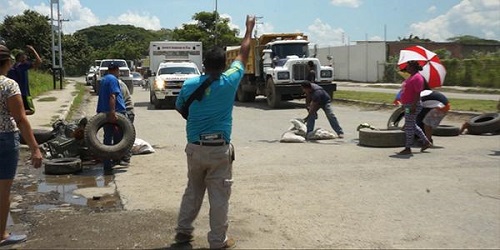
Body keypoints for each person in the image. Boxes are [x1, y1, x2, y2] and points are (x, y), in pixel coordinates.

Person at [173, 15, 255, 249]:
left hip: (195, 148)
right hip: (219, 150)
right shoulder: (230, 80)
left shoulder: (189, 84)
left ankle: (183, 233)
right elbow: (244, 52)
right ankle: (218, 242)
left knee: (193, 191)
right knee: (219, 197)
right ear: (223, 66)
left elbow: (180, 107)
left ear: (204, 64)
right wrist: (248, 28)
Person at [0, 45, 42, 246]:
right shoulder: (9, 85)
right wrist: (35, 148)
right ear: (8, 63)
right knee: (3, 190)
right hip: (4, 139)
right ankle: (1, 235)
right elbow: (21, 119)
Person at [96, 62, 126, 175]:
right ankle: (118, 159)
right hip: (116, 112)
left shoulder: (104, 79)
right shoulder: (113, 79)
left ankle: (107, 164)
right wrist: (113, 112)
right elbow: (112, 96)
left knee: (107, 138)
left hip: (103, 111)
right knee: (122, 138)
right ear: (117, 70)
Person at [398, 60, 432, 155]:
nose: (407, 68)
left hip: (413, 105)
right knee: (412, 124)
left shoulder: (418, 78)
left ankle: (408, 147)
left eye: (408, 66)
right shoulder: (411, 77)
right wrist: (404, 105)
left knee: (409, 126)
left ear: (413, 67)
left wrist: (413, 105)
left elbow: (417, 93)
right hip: (408, 105)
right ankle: (426, 142)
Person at [7, 45, 42, 115]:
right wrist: (33, 50)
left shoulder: (10, 68)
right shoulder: (23, 66)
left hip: (12, 93)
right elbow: (39, 61)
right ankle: (17, 114)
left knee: (14, 109)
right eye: (24, 55)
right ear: (21, 57)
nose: (26, 57)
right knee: (30, 110)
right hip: (23, 93)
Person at [118, 79, 134, 165]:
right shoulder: (118, 83)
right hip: (124, 111)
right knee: (120, 135)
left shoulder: (118, 85)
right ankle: (119, 156)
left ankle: (126, 157)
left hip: (127, 111)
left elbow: (118, 102)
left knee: (125, 136)